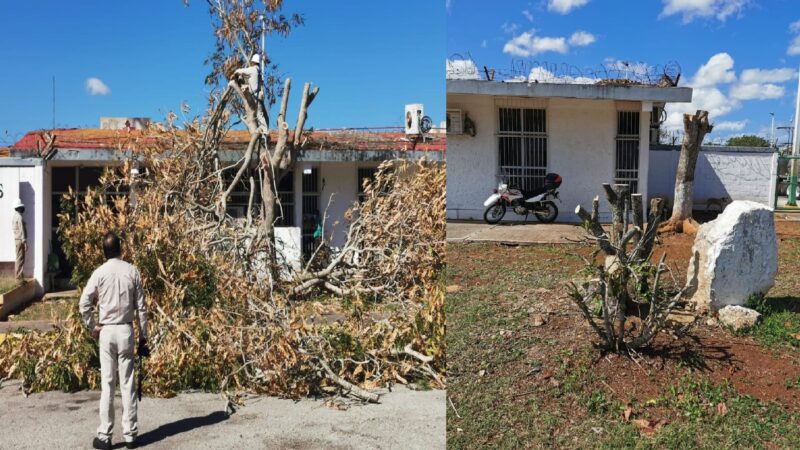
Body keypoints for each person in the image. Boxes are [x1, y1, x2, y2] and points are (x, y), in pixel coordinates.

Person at [79, 232, 148, 450]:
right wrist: (144, 337)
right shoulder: (132, 271)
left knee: (108, 383)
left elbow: (84, 303)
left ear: (104, 251)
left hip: (106, 331)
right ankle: (130, 435)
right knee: (127, 383)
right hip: (126, 330)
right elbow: (142, 308)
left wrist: (92, 326)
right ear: (121, 249)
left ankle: (105, 435)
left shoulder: (99, 273)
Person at [232, 53, 269, 133]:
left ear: (253, 62)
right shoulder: (258, 71)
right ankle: (263, 129)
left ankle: (265, 131)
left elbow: (242, 71)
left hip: (256, 95)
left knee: (259, 113)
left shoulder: (252, 69)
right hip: (259, 94)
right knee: (259, 113)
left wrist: (235, 72)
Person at [11, 199, 27, 282]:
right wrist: (25, 242)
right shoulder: (19, 217)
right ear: (18, 207)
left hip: (17, 239)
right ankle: (19, 278)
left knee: (19, 258)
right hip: (20, 239)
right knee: (20, 258)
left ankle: (20, 276)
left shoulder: (14, 216)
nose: (23, 208)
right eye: (21, 207)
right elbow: (22, 230)